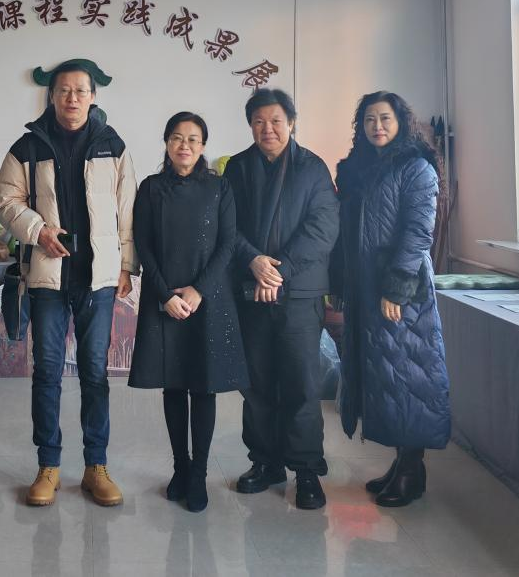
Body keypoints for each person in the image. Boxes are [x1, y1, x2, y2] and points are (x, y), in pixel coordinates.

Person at [0, 59, 136, 508]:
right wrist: (39, 231)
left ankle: (96, 466)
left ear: (93, 96)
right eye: (64, 90)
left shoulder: (112, 145)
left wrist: (126, 266)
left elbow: (127, 207)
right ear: (51, 96)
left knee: (95, 373)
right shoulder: (28, 145)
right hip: (48, 278)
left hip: (97, 278)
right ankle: (48, 465)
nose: (72, 98)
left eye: (80, 90)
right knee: (48, 371)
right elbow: (5, 201)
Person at [223, 88, 339, 511]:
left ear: (291, 123)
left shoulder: (312, 168)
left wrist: (279, 270)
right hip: (251, 289)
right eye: (259, 122)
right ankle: (265, 462)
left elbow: (323, 227)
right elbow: (226, 226)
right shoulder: (237, 168)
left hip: (299, 292)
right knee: (256, 383)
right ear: (250, 126)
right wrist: (254, 261)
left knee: (301, 383)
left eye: (275, 121)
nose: (267, 129)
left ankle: (306, 470)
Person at [333, 91, 450, 508]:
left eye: (384, 118)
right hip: (365, 288)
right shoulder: (359, 169)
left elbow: (418, 233)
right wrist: (341, 282)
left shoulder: (416, 167)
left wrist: (396, 288)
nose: (377, 126)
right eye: (369, 119)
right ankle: (401, 462)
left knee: (409, 376)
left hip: (401, 293)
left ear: (401, 122)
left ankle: (412, 470)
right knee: (386, 377)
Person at [128, 112, 246, 513]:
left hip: (207, 299)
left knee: (203, 386)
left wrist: (198, 291)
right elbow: (143, 244)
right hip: (164, 299)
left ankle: (199, 475)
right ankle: (180, 467)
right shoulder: (151, 188)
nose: (185, 145)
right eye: (177, 138)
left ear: (203, 146)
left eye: (193, 139)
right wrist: (165, 295)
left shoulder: (219, 187)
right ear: (166, 143)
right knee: (174, 386)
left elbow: (227, 244)